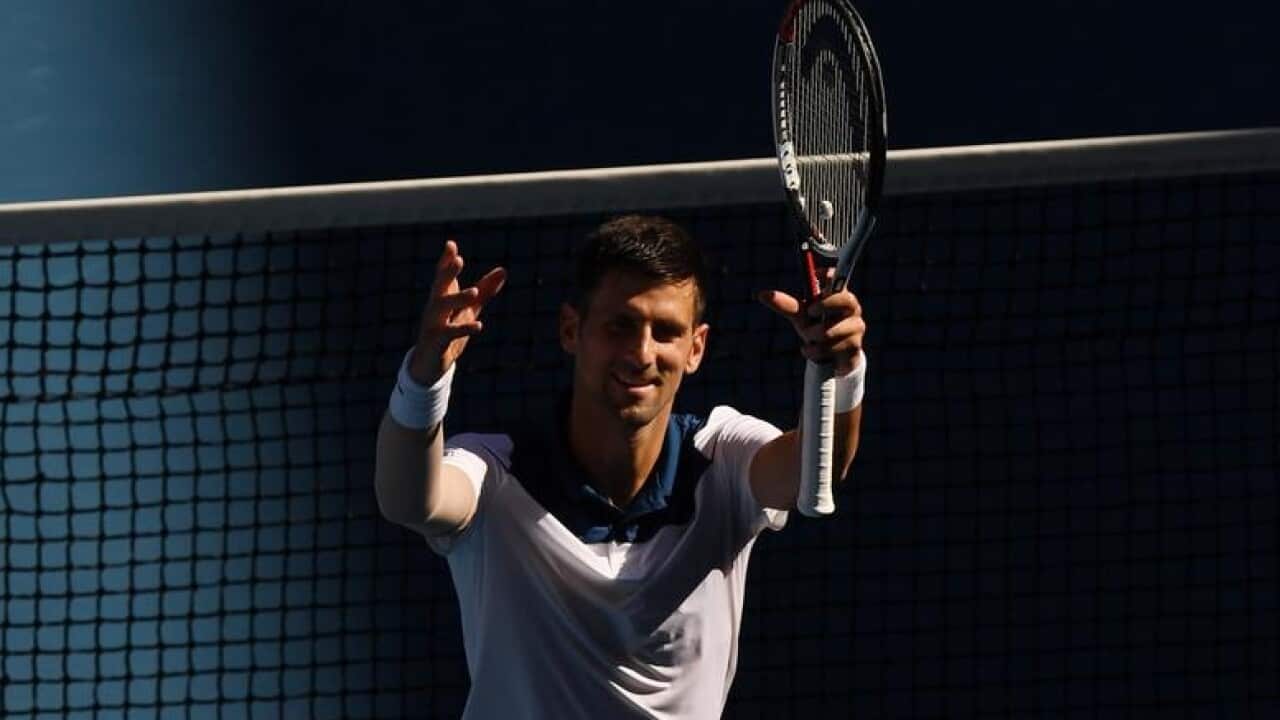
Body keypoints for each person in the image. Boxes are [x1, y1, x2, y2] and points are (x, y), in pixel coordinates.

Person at [374, 215, 866, 719]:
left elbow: (816, 472)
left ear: (695, 349)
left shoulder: (723, 457)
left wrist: (843, 367)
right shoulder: (495, 470)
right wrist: (424, 380)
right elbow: (410, 498)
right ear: (572, 330)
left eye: (666, 332)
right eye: (620, 326)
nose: (641, 354)